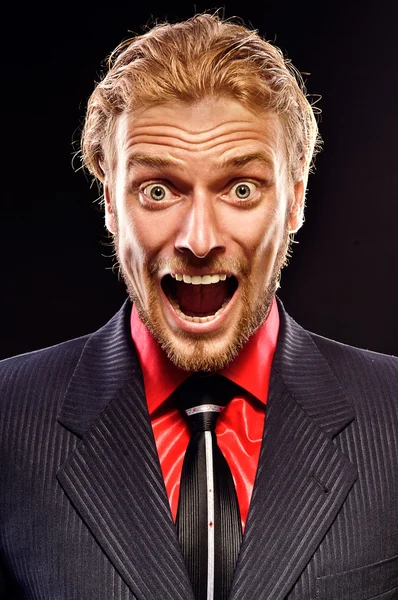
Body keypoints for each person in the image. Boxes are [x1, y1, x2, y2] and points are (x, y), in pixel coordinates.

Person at [0, 13, 397, 600]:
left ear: (295, 203)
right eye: (158, 189)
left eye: (242, 188)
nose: (200, 238)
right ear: (111, 206)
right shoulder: (8, 418)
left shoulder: (392, 415)